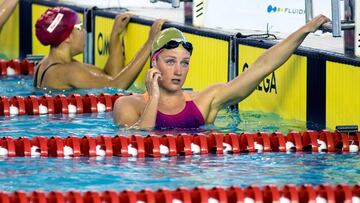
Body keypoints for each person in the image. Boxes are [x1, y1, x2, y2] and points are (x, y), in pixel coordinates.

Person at [113, 15, 330, 129]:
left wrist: (304, 31)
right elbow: (138, 146)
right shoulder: (127, 105)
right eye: (170, 61)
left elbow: (261, 67)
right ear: (154, 62)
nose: (179, 71)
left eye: (185, 63)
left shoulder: (205, 101)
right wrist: (154, 98)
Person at [33, 7, 165, 89]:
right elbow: (117, 86)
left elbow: (110, 76)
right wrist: (150, 43)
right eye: (79, 28)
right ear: (66, 37)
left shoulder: (46, 63)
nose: (84, 32)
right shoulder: (67, 70)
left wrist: (115, 35)